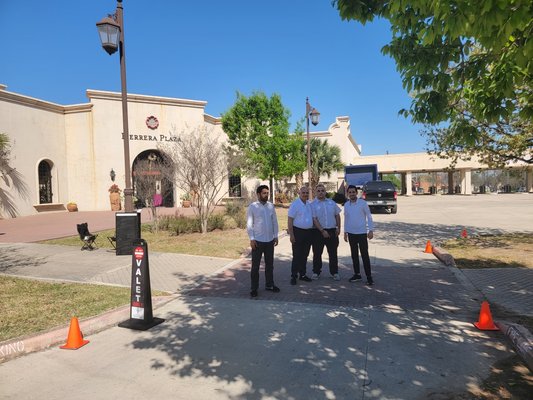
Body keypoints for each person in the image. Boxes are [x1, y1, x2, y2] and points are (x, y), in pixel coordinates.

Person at [246, 185, 279, 297]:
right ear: (258, 194)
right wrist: (252, 239)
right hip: (258, 241)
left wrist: (276, 235)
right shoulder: (252, 207)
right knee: (255, 266)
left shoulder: (271, 206)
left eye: (267, 193)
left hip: (270, 241)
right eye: (264, 193)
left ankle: (269, 284)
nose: (266, 195)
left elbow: (274, 221)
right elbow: (249, 224)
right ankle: (254, 288)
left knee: (270, 265)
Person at [343, 184, 375, 285]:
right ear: (348, 194)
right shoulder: (347, 205)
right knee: (354, 255)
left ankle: (369, 277)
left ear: (356, 193)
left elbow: (369, 217)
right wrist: (345, 232)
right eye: (350, 192)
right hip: (351, 233)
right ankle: (357, 274)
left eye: (353, 192)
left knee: (365, 255)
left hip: (361, 233)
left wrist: (371, 230)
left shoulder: (363, 203)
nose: (352, 194)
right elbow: (346, 219)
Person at [310, 183, 341, 280]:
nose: (320, 192)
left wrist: (338, 227)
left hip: (332, 231)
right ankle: (316, 272)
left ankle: (334, 273)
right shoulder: (312, 205)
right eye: (318, 191)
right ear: (315, 192)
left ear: (325, 192)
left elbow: (337, 215)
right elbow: (314, 219)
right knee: (317, 253)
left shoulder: (331, 203)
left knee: (333, 253)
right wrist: (322, 231)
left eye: (322, 190)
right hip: (318, 232)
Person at [287, 186, 314, 285]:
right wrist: (291, 235)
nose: (305, 194)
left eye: (307, 193)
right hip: (298, 232)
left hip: (308, 233)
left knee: (305, 255)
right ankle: (293, 276)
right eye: (303, 193)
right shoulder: (295, 204)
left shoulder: (309, 204)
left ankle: (302, 274)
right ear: (299, 193)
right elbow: (290, 220)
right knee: (296, 255)